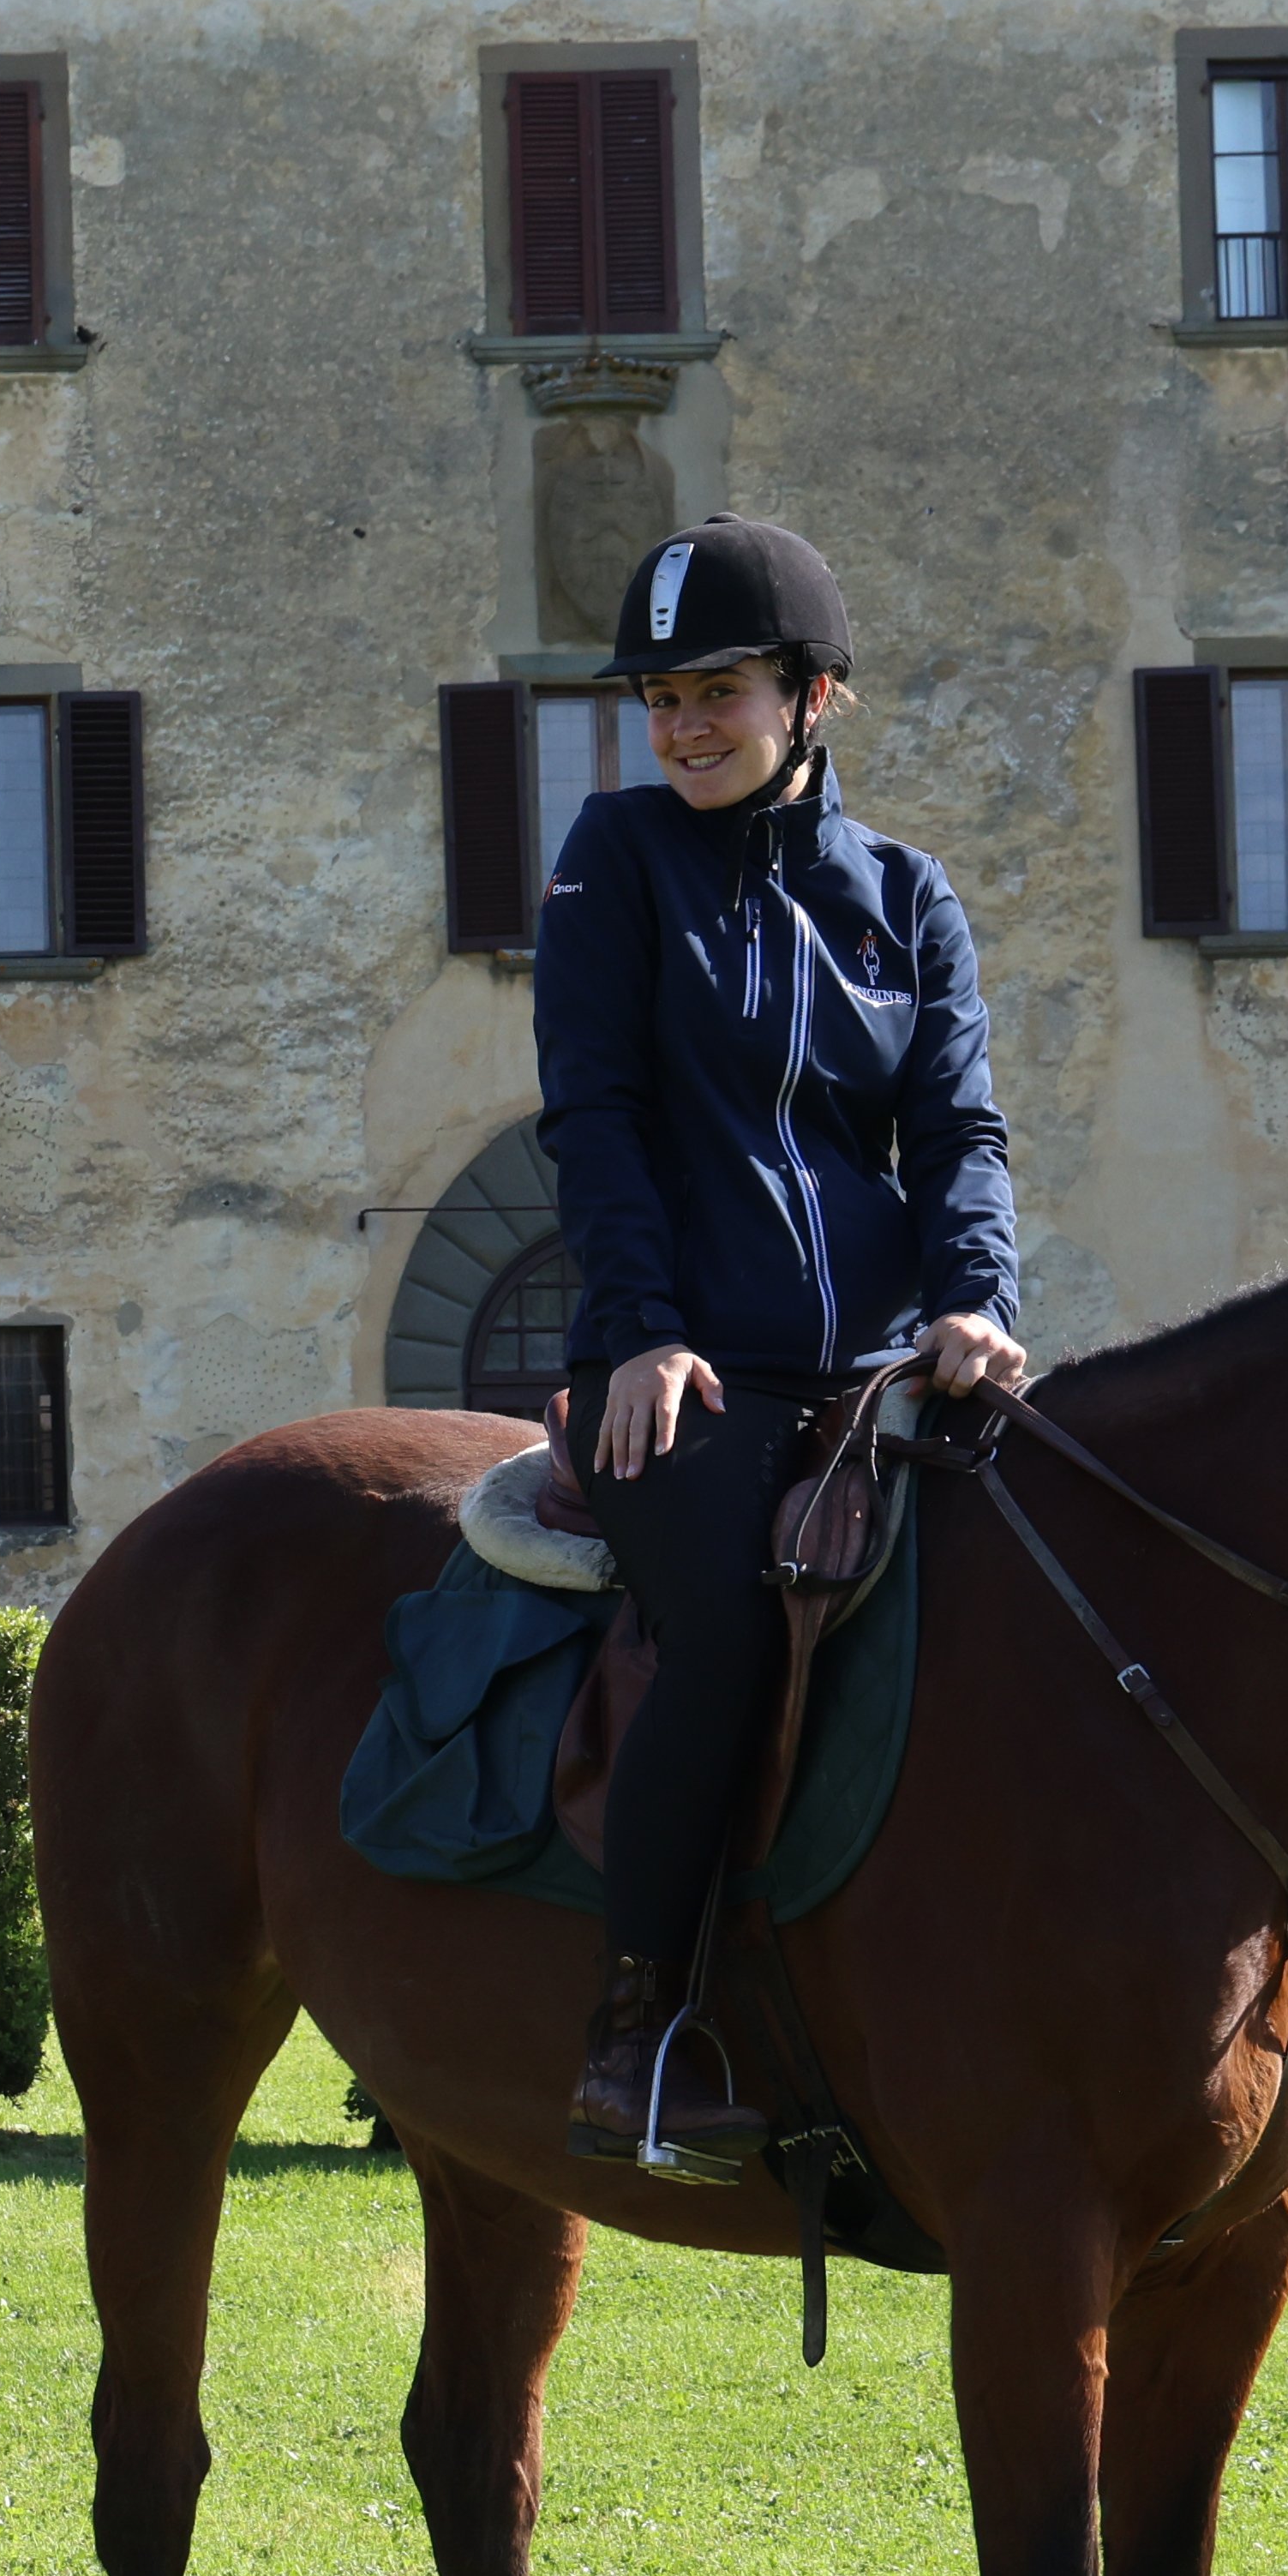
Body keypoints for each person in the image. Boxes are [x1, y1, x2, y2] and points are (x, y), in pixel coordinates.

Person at [529, 518, 1023, 2179]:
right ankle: (638, 2027)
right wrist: (645, 1335)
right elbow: (593, 1118)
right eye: (660, 697)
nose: (679, 727)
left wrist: (975, 1298)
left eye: (714, 691)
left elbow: (957, 1128)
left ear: (813, 697)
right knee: (732, 1634)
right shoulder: (613, 857)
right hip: (689, 1371)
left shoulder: (903, 897)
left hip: (885, 1363)